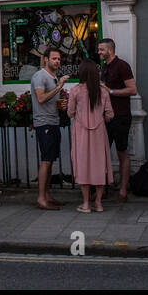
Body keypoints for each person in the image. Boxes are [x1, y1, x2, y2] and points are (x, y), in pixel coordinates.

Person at [67, 58, 115, 213]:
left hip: (81, 132)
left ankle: (86, 203)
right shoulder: (103, 91)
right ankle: (99, 203)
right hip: (99, 133)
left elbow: (70, 112)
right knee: (99, 165)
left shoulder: (75, 90)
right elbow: (110, 114)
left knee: (83, 165)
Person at [97, 39, 136, 202]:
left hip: (120, 115)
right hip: (105, 116)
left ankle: (122, 191)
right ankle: (103, 189)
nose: (99, 52)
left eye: (101, 50)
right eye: (98, 50)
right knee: (103, 153)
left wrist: (110, 91)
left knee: (122, 151)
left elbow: (133, 90)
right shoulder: (104, 67)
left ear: (110, 50)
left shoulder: (122, 66)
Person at [30, 46, 69, 210]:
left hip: (53, 120)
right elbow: (40, 98)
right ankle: (41, 199)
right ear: (46, 59)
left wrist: (60, 104)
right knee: (46, 160)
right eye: (54, 58)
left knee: (51, 159)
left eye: (59, 59)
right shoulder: (40, 76)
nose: (57, 61)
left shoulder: (52, 77)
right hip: (44, 122)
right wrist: (59, 87)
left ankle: (47, 195)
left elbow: (50, 99)